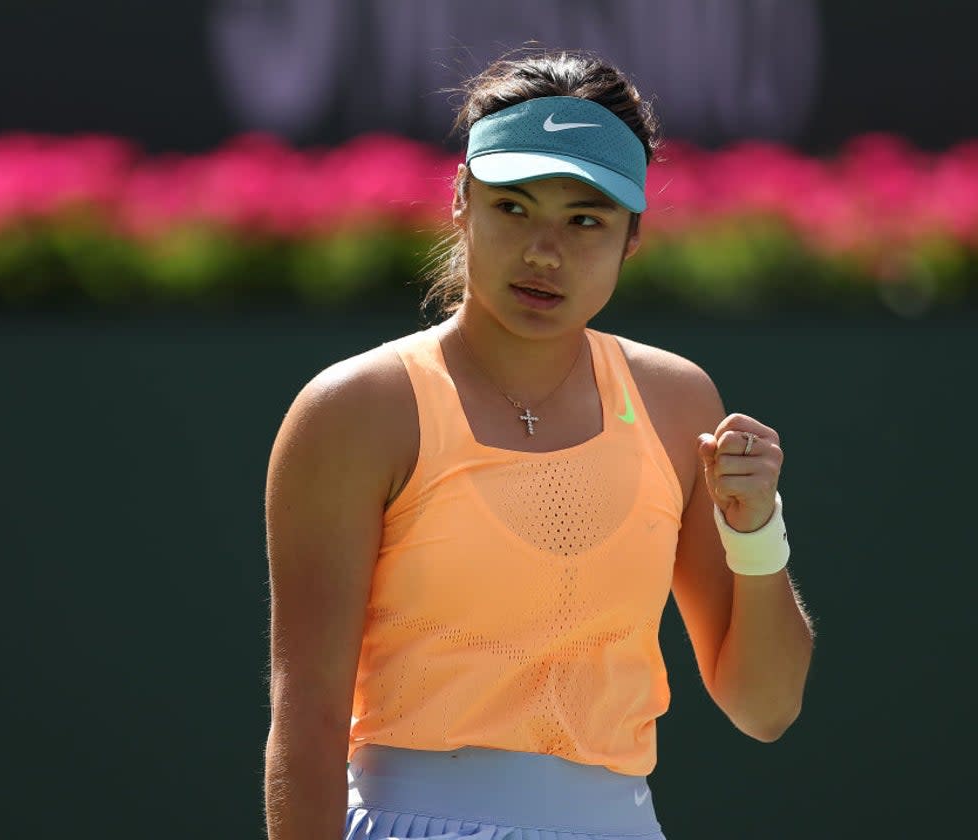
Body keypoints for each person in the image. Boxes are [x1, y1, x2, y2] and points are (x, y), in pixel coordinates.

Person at [263, 49, 814, 840]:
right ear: (461, 200)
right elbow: (307, 714)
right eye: (513, 208)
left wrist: (756, 531)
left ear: (632, 238)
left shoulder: (676, 402)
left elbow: (765, 706)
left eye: (584, 220)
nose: (544, 253)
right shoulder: (356, 411)